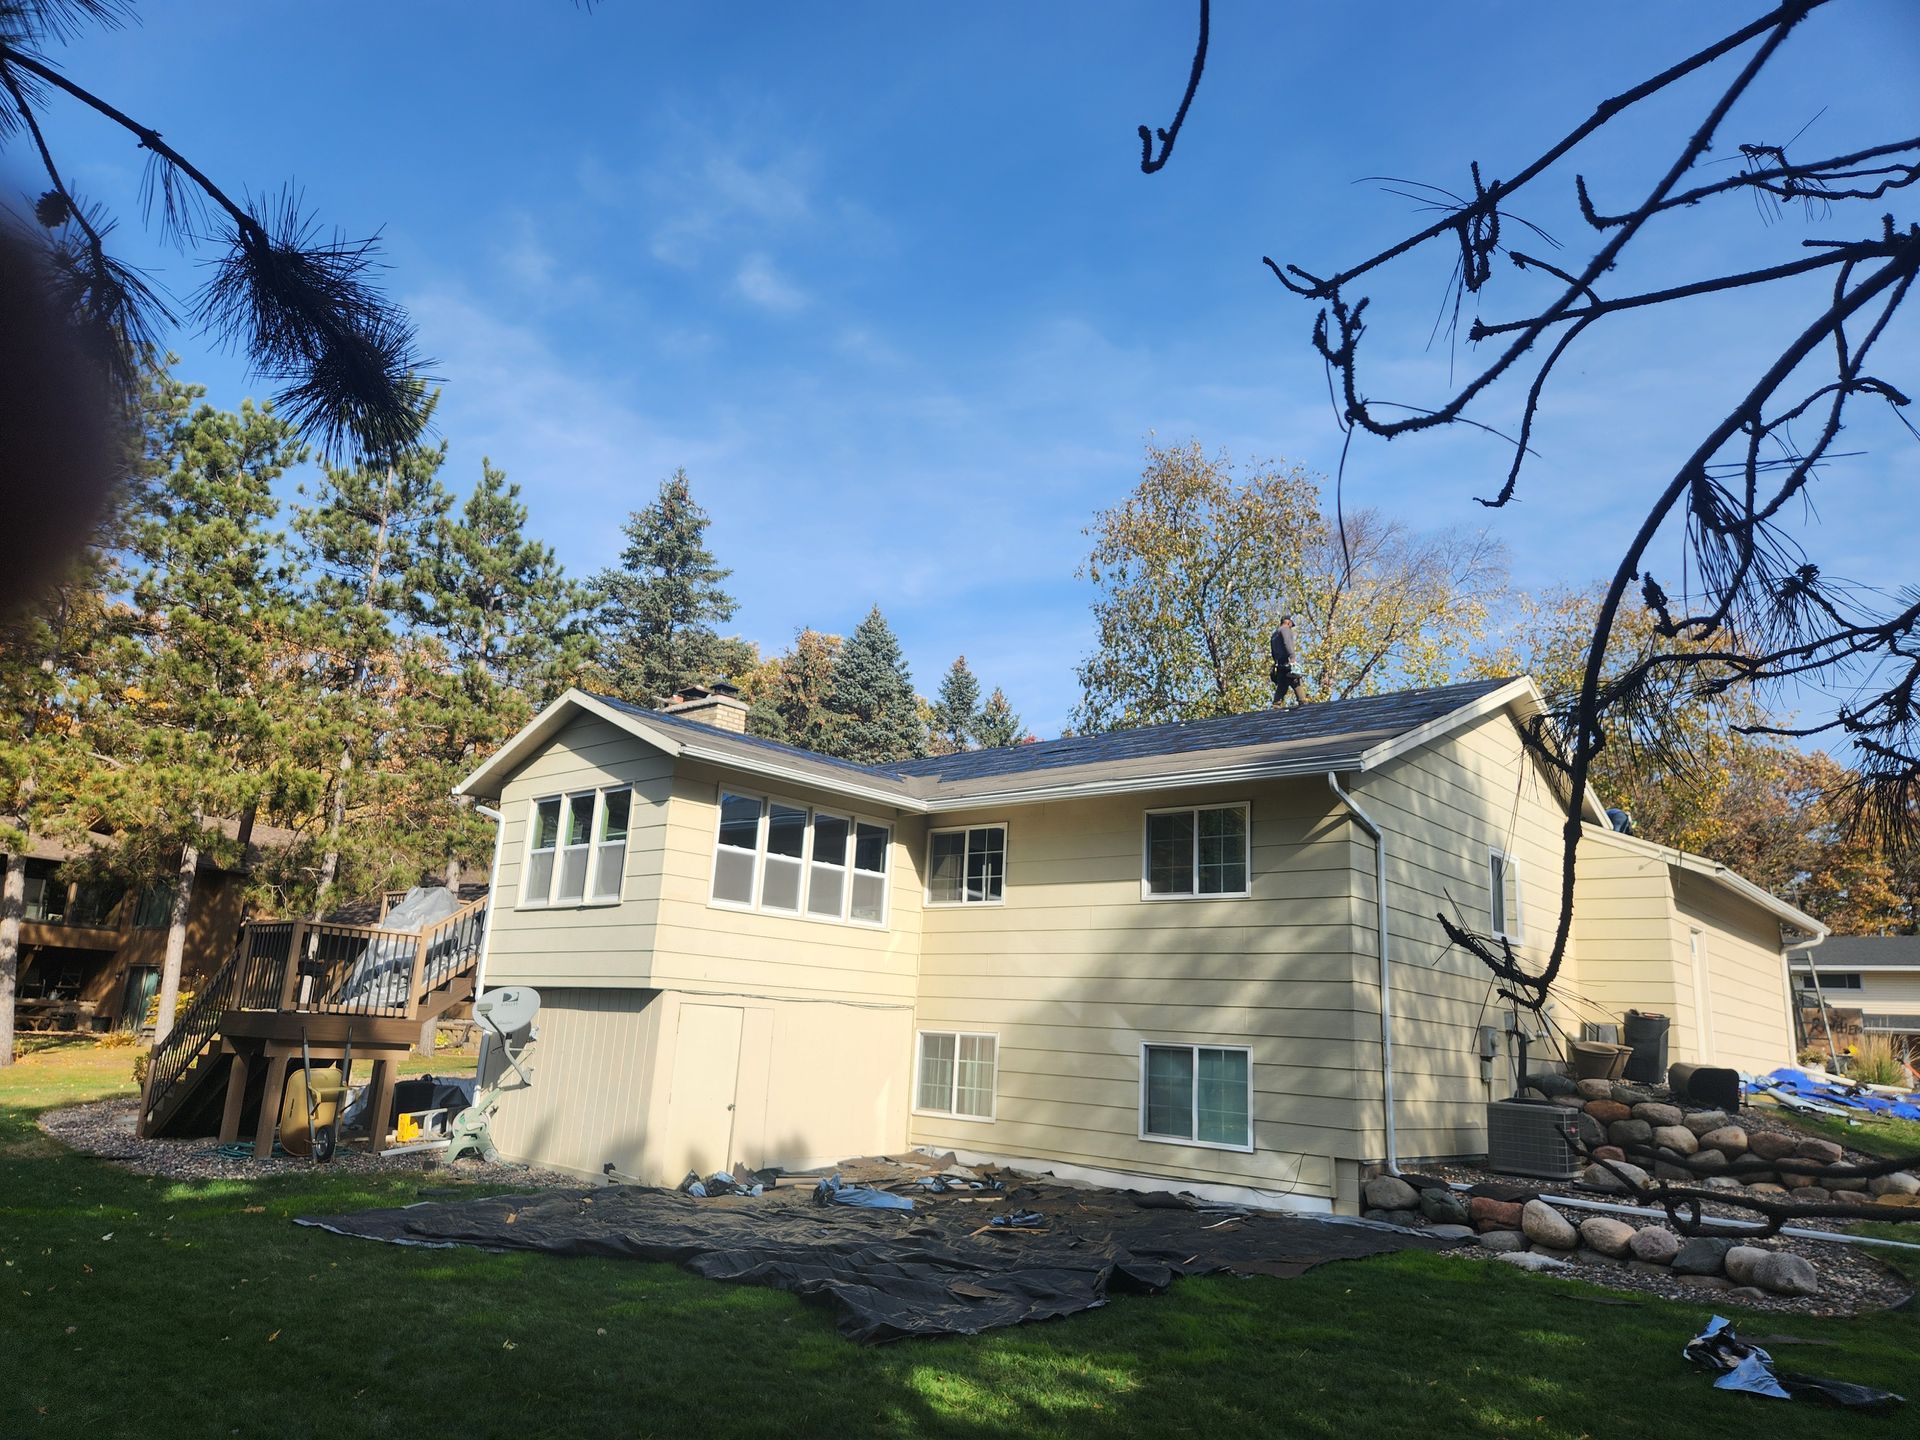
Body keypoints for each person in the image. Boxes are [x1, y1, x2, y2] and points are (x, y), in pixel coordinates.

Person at [1269, 615, 1306, 707]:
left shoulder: (1274, 634)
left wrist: (1276, 662)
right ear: (1288, 622)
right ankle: (1303, 702)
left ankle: (1276, 705)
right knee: (1296, 681)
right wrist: (1292, 658)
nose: (1291, 627)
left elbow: (1273, 651)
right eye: (1291, 624)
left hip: (1279, 664)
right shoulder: (1285, 630)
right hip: (1287, 662)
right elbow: (1287, 643)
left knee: (1282, 686)